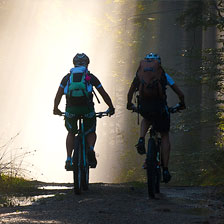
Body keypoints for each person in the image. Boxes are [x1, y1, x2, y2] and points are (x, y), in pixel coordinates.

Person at [127, 53, 186, 183]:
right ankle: (165, 169)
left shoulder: (140, 75)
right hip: (160, 108)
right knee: (164, 135)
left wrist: (129, 104)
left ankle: (141, 139)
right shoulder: (163, 75)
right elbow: (179, 93)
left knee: (146, 118)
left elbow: (130, 92)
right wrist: (182, 104)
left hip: (145, 107)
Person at [53, 53, 115, 170]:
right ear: (87, 64)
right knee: (91, 131)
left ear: (74, 64)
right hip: (87, 110)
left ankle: (68, 159)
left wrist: (56, 109)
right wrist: (110, 107)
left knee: (71, 132)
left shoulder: (67, 77)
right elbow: (103, 94)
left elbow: (58, 95)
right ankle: (90, 148)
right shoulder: (90, 77)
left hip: (71, 109)